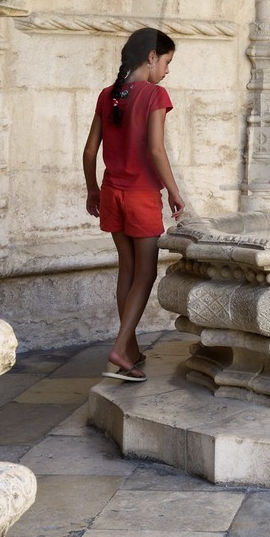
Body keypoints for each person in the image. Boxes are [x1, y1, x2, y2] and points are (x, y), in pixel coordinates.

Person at [82, 27, 184, 381]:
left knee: (127, 270)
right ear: (152, 57)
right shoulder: (155, 95)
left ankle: (130, 348)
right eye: (167, 62)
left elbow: (90, 150)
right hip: (141, 197)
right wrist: (173, 191)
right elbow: (156, 150)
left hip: (111, 192)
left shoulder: (108, 94)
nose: (167, 71)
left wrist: (92, 190)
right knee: (146, 272)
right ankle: (121, 346)